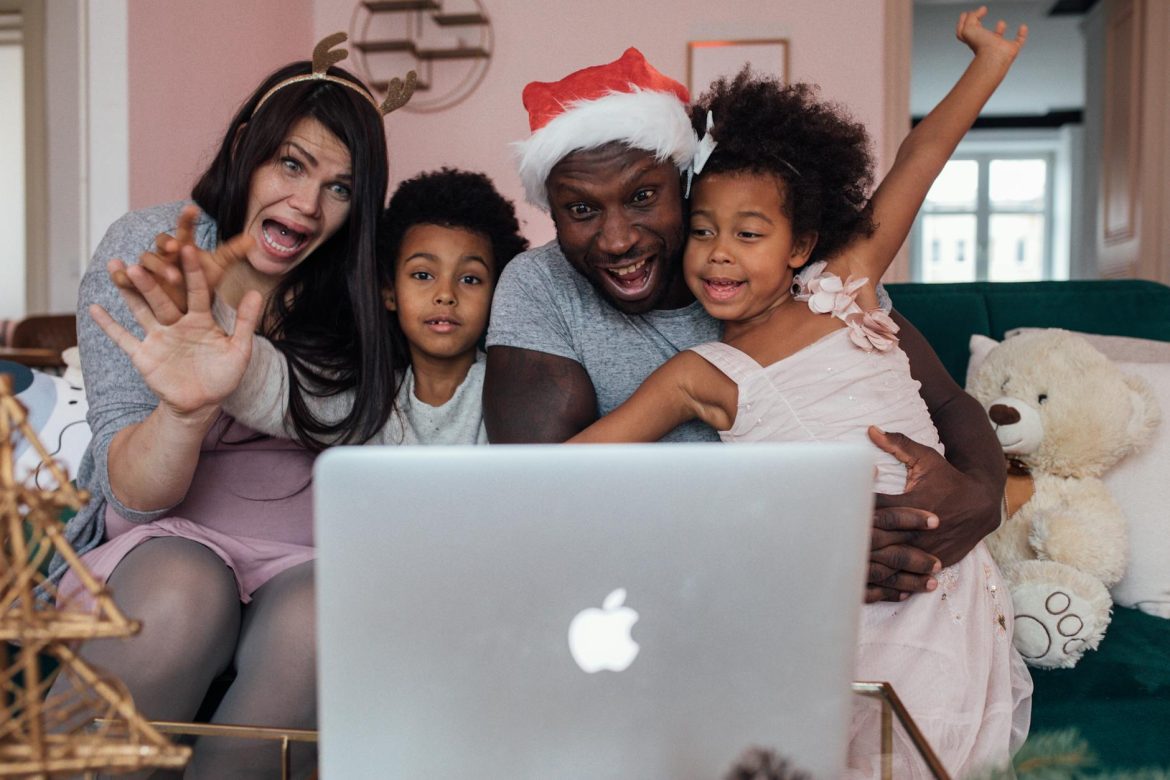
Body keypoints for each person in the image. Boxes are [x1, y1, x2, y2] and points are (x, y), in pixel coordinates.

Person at [568, 9, 1031, 776]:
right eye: (704, 231)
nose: (719, 255)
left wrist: (989, 62)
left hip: (948, 588)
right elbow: (574, 468)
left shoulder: (846, 287)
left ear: (802, 247)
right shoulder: (702, 375)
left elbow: (924, 153)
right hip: (837, 608)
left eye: (749, 234)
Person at [485, 46, 1005, 605]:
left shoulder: (832, 286)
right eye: (581, 209)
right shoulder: (572, 307)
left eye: (642, 197)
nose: (617, 239)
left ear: (686, 184)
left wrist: (982, 497)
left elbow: (947, 403)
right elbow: (544, 496)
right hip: (709, 594)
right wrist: (800, 543)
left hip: (946, 586)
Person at [48, 36, 409, 778]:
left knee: (324, 622)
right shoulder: (155, 246)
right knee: (180, 597)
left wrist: (237, 375)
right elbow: (133, 495)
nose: (307, 205)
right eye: (293, 164)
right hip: (166, 523)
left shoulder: (364, 285)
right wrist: (183, 412)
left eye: (340, 188)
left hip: (310, 543)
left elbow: (353, 418)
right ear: (249, 148)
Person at [126, 168, 528, 446]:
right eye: (422, 275)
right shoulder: (367, 400)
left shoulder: (510, 392)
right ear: (388, 292)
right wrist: (209, 314)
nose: (446, 294)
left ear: (498, 291)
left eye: (471, 279)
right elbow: (273, 388)